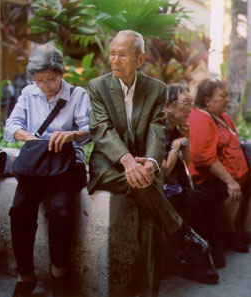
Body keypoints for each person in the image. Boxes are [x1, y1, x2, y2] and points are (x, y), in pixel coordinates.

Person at [87, 30, 209, 297]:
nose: (115, 60)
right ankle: (182, 230)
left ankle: (149, 291)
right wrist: (128, 161)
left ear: (140, 58)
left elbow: (157, 130)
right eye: (112, 53)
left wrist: (152, 163)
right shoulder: (97, 86)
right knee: (147, 187)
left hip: (143, 165)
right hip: (109, 166)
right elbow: (102, 131)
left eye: (123, 54)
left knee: (151, 218)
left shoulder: (155, 88)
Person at [4, 43, 90, 297]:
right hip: (37, 165)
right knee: (19, 210)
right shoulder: (28, 93)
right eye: (38, 80)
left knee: (60, 211)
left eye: (50, 80)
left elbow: (90, 131)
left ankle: (58, 272)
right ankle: (25, 276)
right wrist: (30, 138)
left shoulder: (78, 95)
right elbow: (11, 126)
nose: (44, 86)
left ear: (62, 74)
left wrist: (71, 134)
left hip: (67, 165)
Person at [188, 78, 251, 268]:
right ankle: (232, 234)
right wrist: (231, 180)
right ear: (207, 101)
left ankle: (245, 231)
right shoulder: (200, 118)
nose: (228, 100)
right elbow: (205, 158)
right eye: (223, 96)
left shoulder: (223, 117)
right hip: (209, 178)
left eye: (227, 96)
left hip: (233, 174)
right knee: (227, 191)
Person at [163, 83, 219, 283]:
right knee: (196, 200)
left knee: (207, 195)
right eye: (185, 103)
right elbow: (163, 171)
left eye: (191, 104)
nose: (190, 109)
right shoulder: (157, 129)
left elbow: (184, 164)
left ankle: (205, 255)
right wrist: (175, 147)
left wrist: (185, 139)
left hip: (175, 186)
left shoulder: (176, 130)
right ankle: (192, 261)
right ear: (168, 105)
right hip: (159, 191)